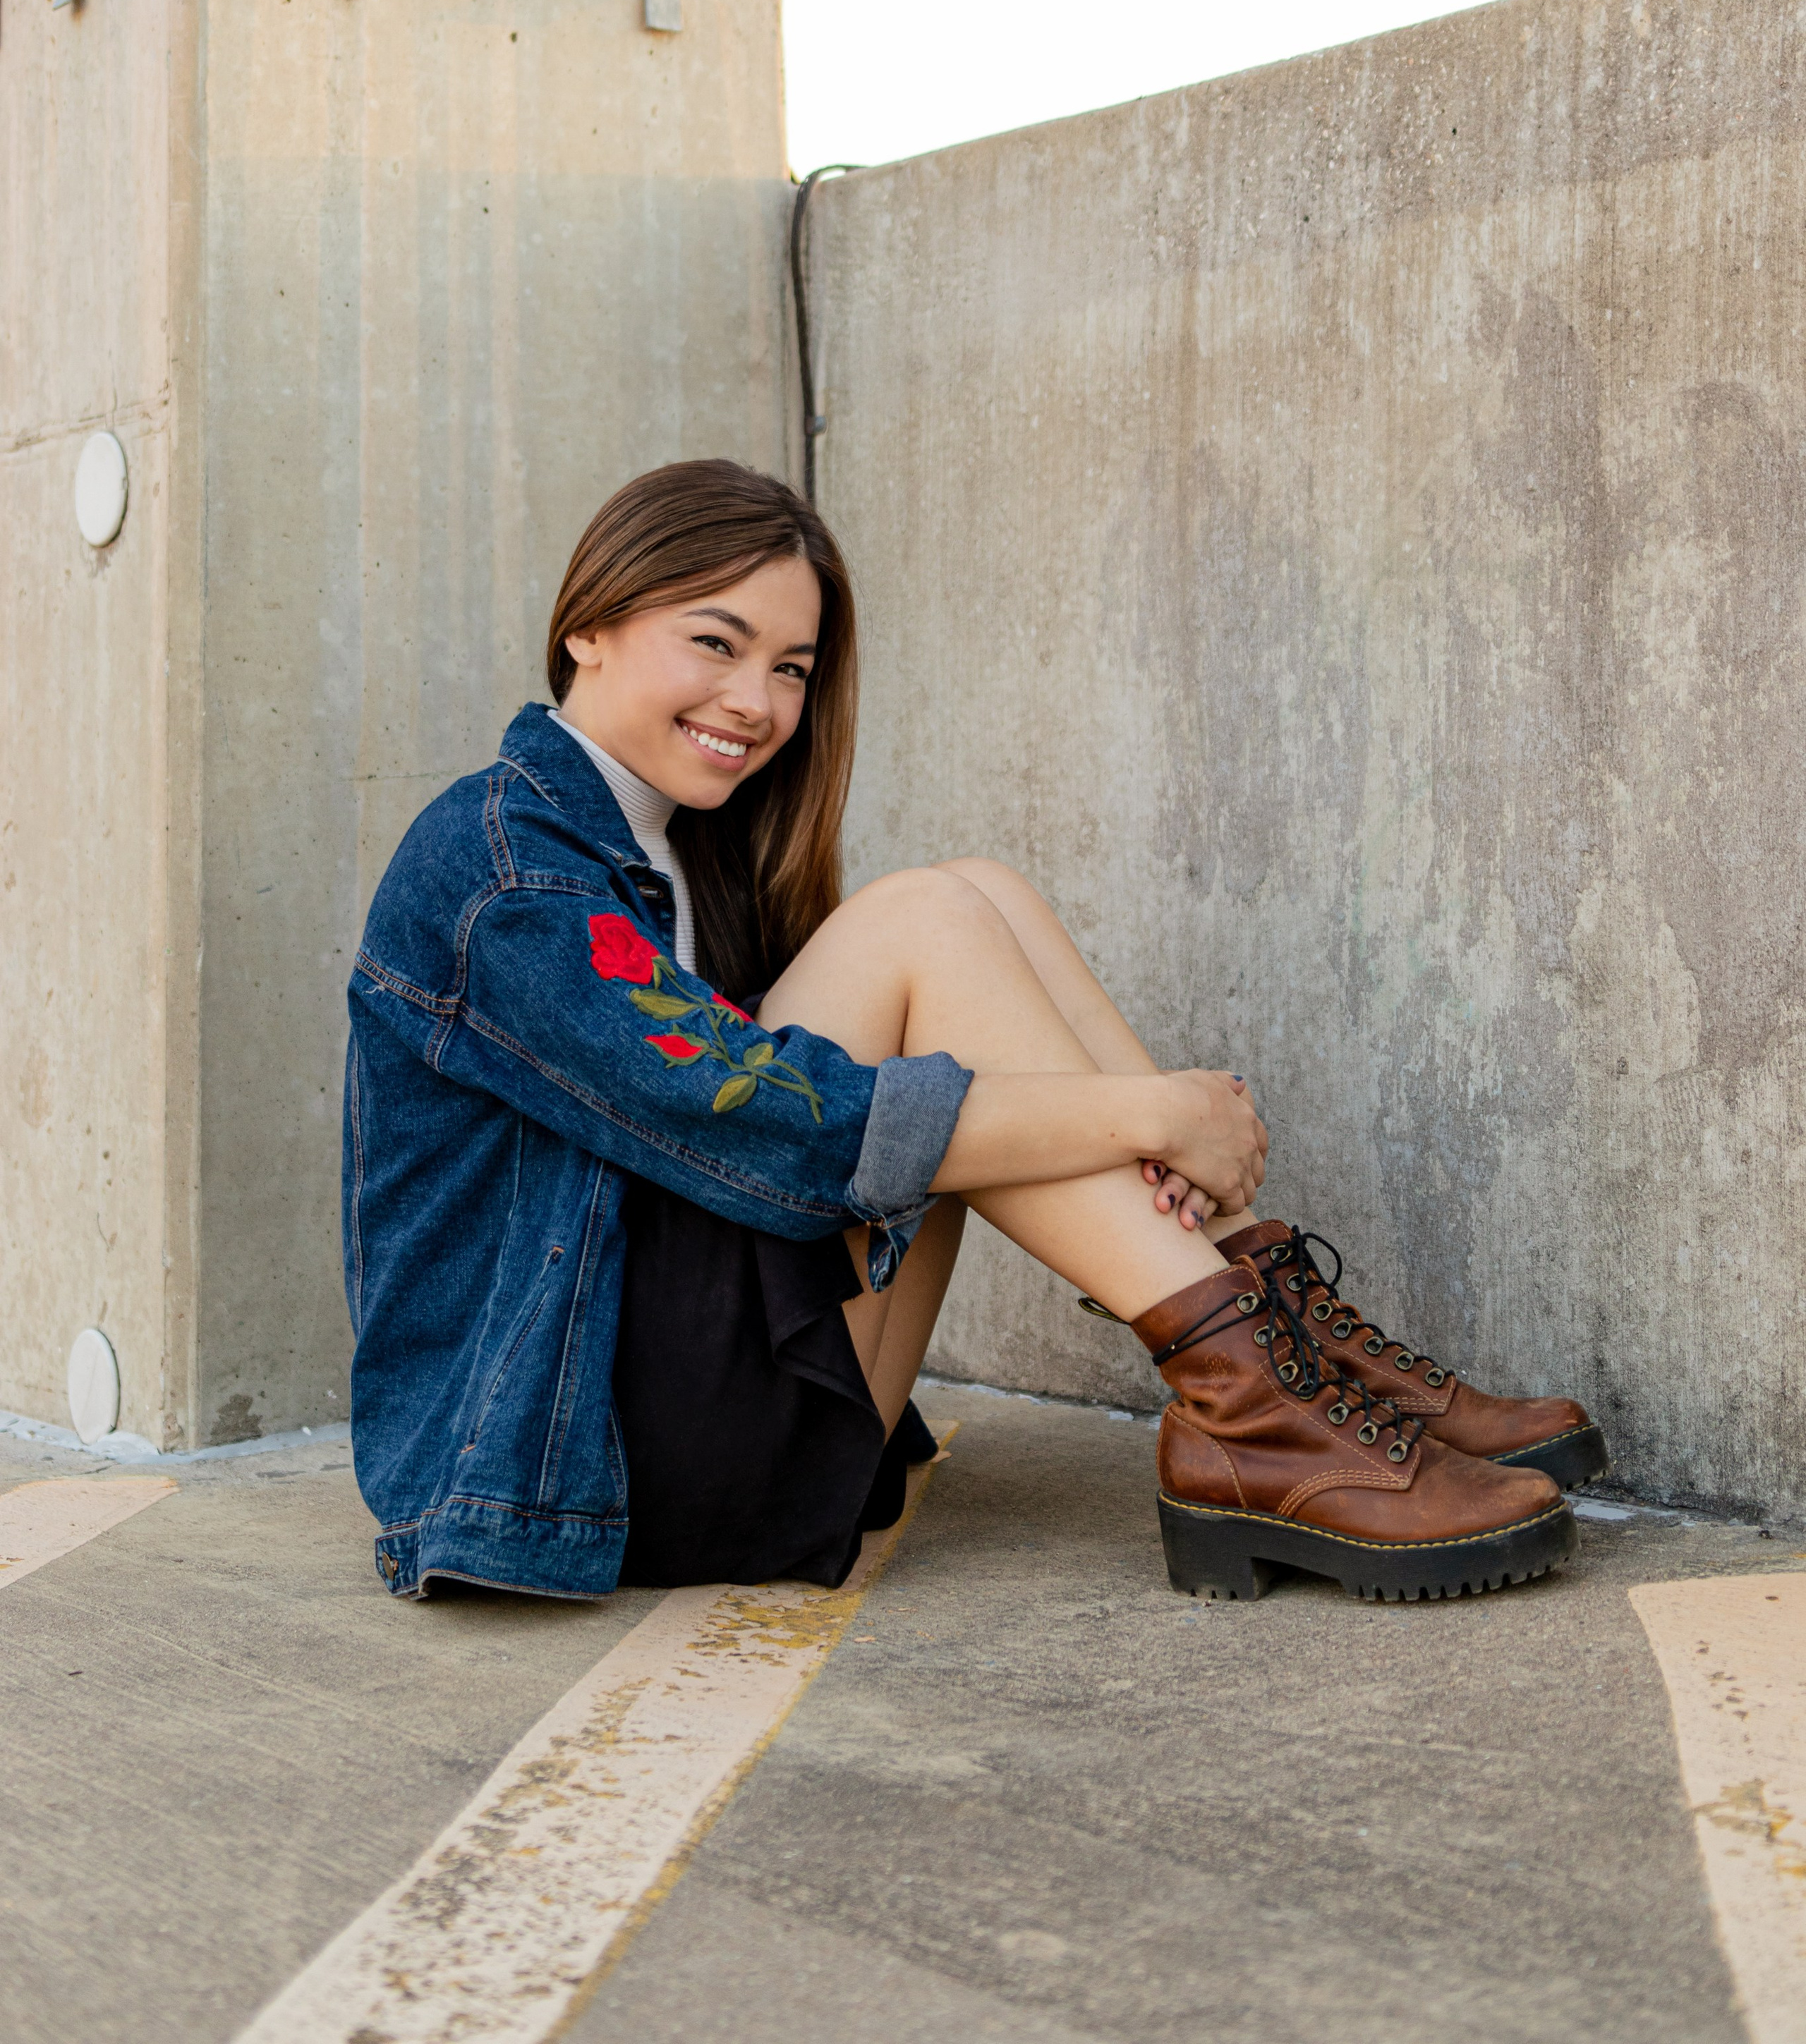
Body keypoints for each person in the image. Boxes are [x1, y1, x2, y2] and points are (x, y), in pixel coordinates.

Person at [344, 460, 1604, 1607]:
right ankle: (1255, 1392)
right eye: (717, 643)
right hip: (580, 1461)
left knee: (983, 893)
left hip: (721, 1425)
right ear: (590, 629)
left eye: (792, 666)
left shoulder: (680, 855)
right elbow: (773, 1129)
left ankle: (1270, 1341)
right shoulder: (503, 868)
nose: (758, 699)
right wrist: (1157, 1112)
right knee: (926, 927)